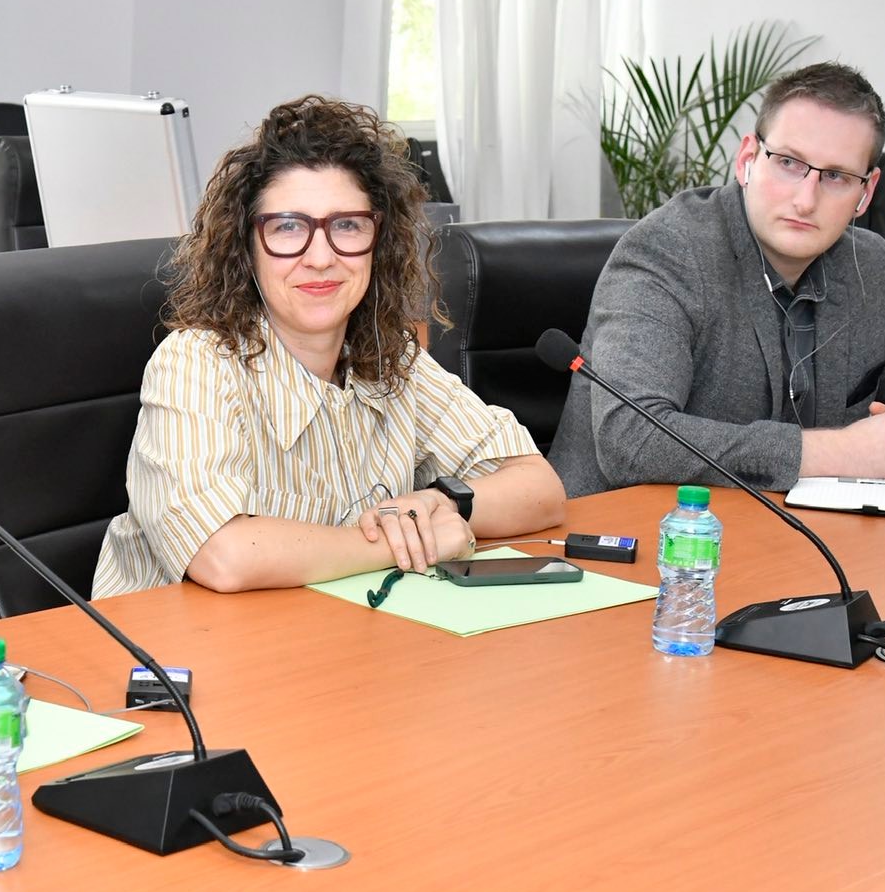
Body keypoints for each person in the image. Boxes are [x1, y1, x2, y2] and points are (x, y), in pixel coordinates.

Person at [92, 95, 565, 599]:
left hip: (327, 628)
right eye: (288, 227)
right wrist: (407, 543)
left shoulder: (392, 360)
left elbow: (541, 489)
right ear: (245, 247)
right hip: (168, 642)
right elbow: (223, 557)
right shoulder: (196, 364)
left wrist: (443, 504)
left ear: (379, 243)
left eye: (347, 225)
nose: (321, 257)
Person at [549, 62, 885, 497]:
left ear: (865, 192)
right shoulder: (667, 251)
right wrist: (848, 452)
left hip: (789, 532)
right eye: (788, 162)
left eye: (835, 176)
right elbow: (632, 440)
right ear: (748, 159)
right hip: (632, 537)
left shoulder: (867, 267)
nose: (805, 200)